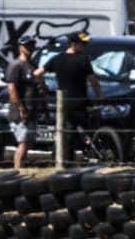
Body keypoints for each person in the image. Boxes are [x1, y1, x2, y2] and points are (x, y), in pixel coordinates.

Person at [34, 31, 102, 162]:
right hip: (80, 102)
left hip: (63, 102)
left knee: (67, 130)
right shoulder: (83, 59)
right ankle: (89, 153)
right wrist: (99, 96)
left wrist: (43, 86)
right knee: (87, 128)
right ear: (73, 44)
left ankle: (66, 158)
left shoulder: (58, 58)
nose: (84, 46)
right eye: (82, 44)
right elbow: (93, 80)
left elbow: (37, 73)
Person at [5, 35, 40, 169]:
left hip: (32, 110)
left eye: (31, 45)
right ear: (20, 47)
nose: (30, 47)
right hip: (21, 112)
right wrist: (20, 108)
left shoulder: (33, 65)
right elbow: (12, 88)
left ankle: (21, 167)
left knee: (29, 142)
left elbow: (37, 87)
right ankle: (17, 170)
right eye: (27, 45)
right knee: (23, 142)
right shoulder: (16, 65)